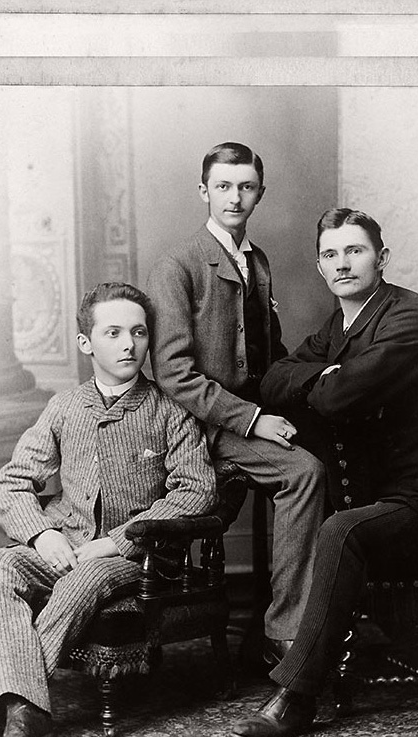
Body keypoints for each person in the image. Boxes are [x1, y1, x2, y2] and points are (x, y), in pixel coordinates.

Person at [231, 208, 418, 737]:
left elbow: (339, 394)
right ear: (321, 266)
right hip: (392, 500)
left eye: (355, 251)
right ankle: (302, 674)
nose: (342, 264)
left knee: (341, 529)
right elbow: (274, 378)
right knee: (339, 519)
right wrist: (322, 375)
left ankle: (297, 697)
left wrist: (326, 380)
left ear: (382, 258)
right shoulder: (339, 326)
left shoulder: (408, 316)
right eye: (331, 254)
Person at [0, 283, 218, 737]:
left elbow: (196, 491)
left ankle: (10, 705)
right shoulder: (64, 407)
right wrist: (42, 533)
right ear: (86, 344)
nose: (128, 344)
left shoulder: (169, 408)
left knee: (85, 579)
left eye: (138, 332)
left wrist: (118, 541)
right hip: (64, 541)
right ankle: (25, 710)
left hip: (135, 558)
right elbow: (11, 481)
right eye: (113, 332)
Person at [146, 142, 326, 661]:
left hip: (253, 415)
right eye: (223, 187)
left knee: (339, 449)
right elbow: (175, 375)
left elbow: (270, 352)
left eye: (246, 187)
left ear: (260, 194)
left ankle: (324, 611)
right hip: (202, 426)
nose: (235, 198)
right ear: (203, 191)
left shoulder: (257, 261)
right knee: (304, 473)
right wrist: (253, 421)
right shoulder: (178, 264)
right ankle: (283, 632)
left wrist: (311, 384)